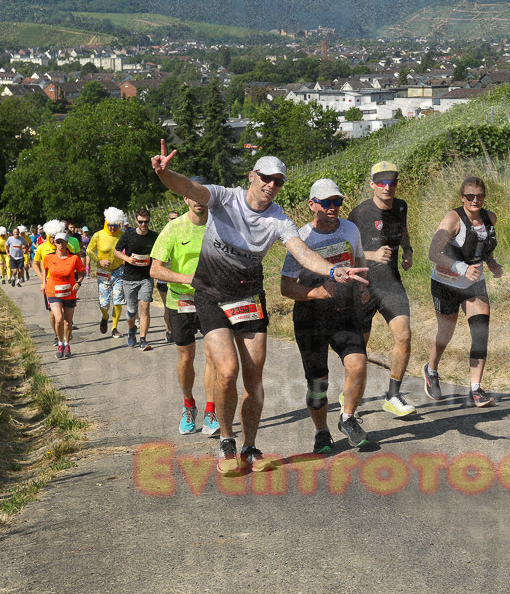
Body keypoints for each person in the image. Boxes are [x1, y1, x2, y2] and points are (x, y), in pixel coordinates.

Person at [151, 144, 368, 476]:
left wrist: (332, 270)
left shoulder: (278, 219)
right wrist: (165, 173)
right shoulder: (225, 198)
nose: (271, 185)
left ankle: (250, 447)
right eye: (266, 178)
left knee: (254, 378)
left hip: (248, 298)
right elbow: (189, 188)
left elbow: (302, 251)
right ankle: (226, 442)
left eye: (278, 181)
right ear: (252, 176)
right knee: (226, 371)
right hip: (210, 294)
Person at [283, 179, 371, 450]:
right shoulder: (301, 238)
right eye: (326, 203)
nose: (333, 208)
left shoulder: (350, 229)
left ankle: (348, 418)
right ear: (312, 205)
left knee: (358, 364)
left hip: (344, 311)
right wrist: (318, 292)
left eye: (338, 202)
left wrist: (363, 289)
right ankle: (321, 431)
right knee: (318, 384)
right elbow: (286, 287)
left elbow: (358, 260)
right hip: (310, 317)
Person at [423, 175, 503, 407]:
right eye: (469, 196)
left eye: (479, 196)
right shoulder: (452, 219)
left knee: (480, 331)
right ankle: (432, 371)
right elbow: (433, 252)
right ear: (462, 197)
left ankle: (476, 389)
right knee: (445, 334)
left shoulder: (490, 218)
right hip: (446, 282)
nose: (474, 200)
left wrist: (492, 263)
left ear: (484, 197)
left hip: (473, 282)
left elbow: (483, 247)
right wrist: (461, 268)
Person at [151, 178, 219, 437]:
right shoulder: (174, 227)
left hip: (210, 298)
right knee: (186, 357)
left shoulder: (219, 225)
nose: (198, 200)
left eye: (203, 195)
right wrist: (187, 278)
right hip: (180, 299)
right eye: (193, 195)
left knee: (214, 355)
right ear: (185, 199)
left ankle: (211, 410)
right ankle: (189, 405)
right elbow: (155, 268)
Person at [347, 161, 416, 417]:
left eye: (392, 183)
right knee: (359, 349)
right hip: (363, 285)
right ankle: (350, 391)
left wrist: (408, 251)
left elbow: (405, 232)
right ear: (372, 184)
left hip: (391, 283)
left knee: (404, 335)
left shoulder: (401, 206)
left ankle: (393, 395)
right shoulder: (360, 214)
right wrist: (372, 255)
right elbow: (345, 252)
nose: (387, 187)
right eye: (381, 183)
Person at [114, 209, 159, 351]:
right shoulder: (128, 235)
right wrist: (128, 259)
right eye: (140, 222)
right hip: (129, 278)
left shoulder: (154, 236)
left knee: (145, 307)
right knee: (131, 311)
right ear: (136, 221)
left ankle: (143, 339)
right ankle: (132, 330)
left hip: (146, 277)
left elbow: (159, 254)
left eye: (146, 222)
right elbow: (116, 251)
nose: (143, 224)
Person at [42, 231, 86, 359]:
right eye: (58, 242)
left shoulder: (74, 258)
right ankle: (60, 343)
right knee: (59, 318)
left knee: (68, 322)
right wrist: (44, 283)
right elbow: (45, 269)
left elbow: (82, 273)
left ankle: (67, 344)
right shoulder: (49, 257)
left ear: (67, 243)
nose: (60, 244)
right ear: (54, 243)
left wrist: (78, 283)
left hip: (69, 292)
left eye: (63, 242)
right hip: (53, 291)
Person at [87, 208, 127, 339]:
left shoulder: (122, 235)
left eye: (115, 225)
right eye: (110, 225)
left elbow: (128, 249)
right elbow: (89, 251)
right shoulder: (98, 235)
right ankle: (105, 317)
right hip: (103, 272)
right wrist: (99, 261)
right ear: (106, 223)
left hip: (119, 271)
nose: (112, 228)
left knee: (118, 301)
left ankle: (114, 328)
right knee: (104, 304)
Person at [157, 210, 179, 344]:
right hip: (164, 279)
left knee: (180, 308)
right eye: (172, 219)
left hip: (180, 279)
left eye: (177, 218)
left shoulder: (185, 233)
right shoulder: (163, 236)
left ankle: (181, 330)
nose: (175, 221)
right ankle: (169, 330)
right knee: (168, 308)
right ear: (168, 219)